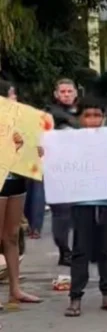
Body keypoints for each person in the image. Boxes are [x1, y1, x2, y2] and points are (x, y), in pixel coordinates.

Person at [64, 97, 107, 317]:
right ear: (79, 118)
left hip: (106, 202)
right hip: (82, 202)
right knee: (81, 250)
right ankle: (75, 298)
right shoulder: (69, 141)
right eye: (87, 116)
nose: (92, 120)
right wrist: (48, 154)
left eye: (97, 115)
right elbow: (59, 164)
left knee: (105, 251)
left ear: (104, 118)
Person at [0, 80, 41, 308]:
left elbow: (30, 150)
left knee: (12, 235)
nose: (15, 98)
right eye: (11, 94)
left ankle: (15, 289)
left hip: (17, 181)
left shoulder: (22, 121)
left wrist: (36, 150)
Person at [47, 78, 79, 266]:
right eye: (62, 92)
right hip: (57, 169)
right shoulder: (48, 114)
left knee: (83, 213)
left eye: (69, 91)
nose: (66, 95)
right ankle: (64, 251)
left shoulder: (85, 112)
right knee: (61, 214)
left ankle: (81, 250)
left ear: (75, 93)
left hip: (81, 169)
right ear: (56, 94)